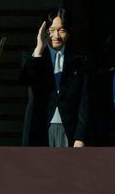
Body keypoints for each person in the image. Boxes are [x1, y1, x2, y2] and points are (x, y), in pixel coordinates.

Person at [19, 8, 90, 148]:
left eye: (61, 30)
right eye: (51, 30)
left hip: (69, 129)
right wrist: (39, 49)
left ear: (68, 32)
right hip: (40, 126)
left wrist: (80, 137)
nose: (56, 35)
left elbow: (84, 100)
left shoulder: (79, 61)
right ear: (44, 30)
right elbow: (25, 79)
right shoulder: (32, 57)